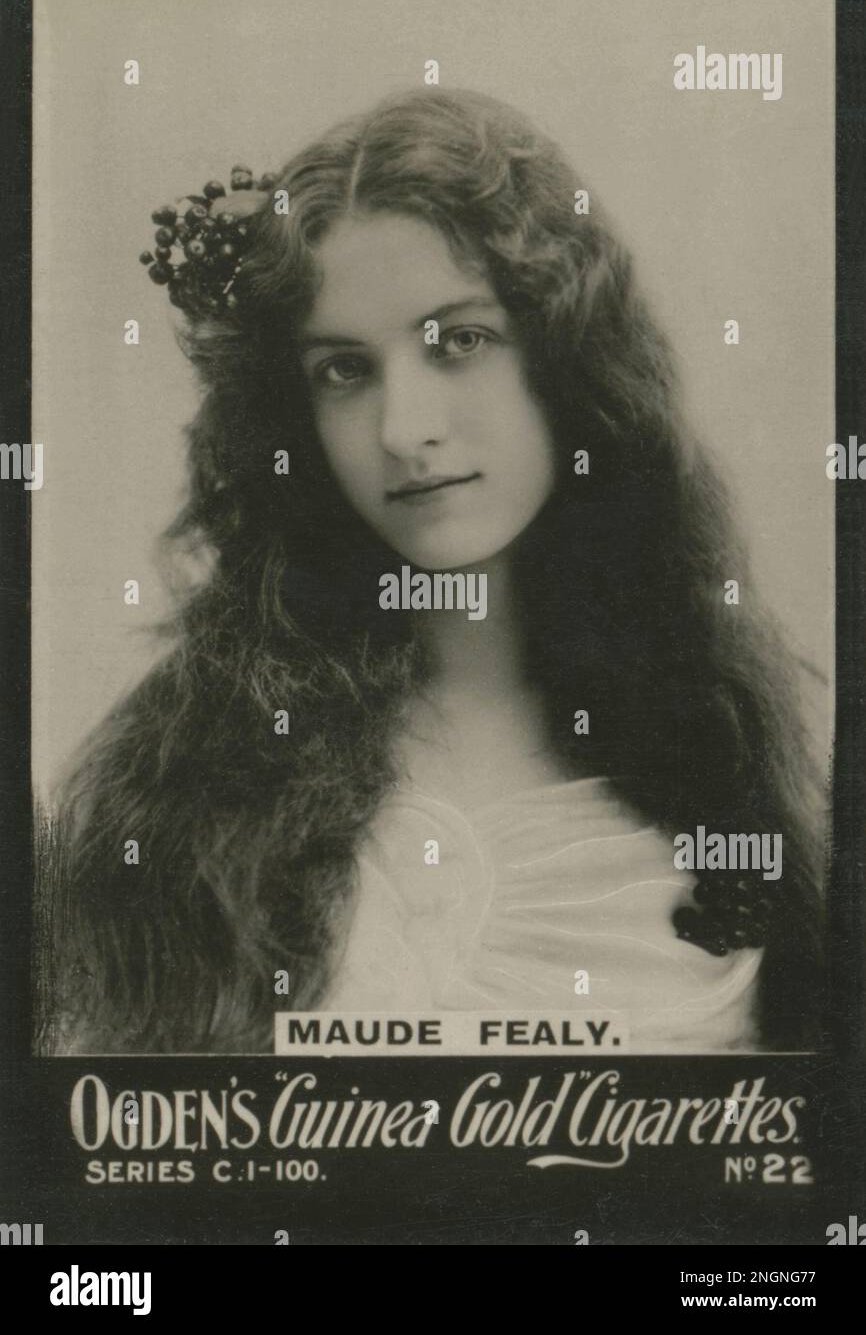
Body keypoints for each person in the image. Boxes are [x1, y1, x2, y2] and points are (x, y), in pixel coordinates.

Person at [35, 88, 825, 1056]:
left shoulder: (722, 743)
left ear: (566, 357)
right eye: (343, 369)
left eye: (459, 341)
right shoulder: (186, 780)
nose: (404, 430)